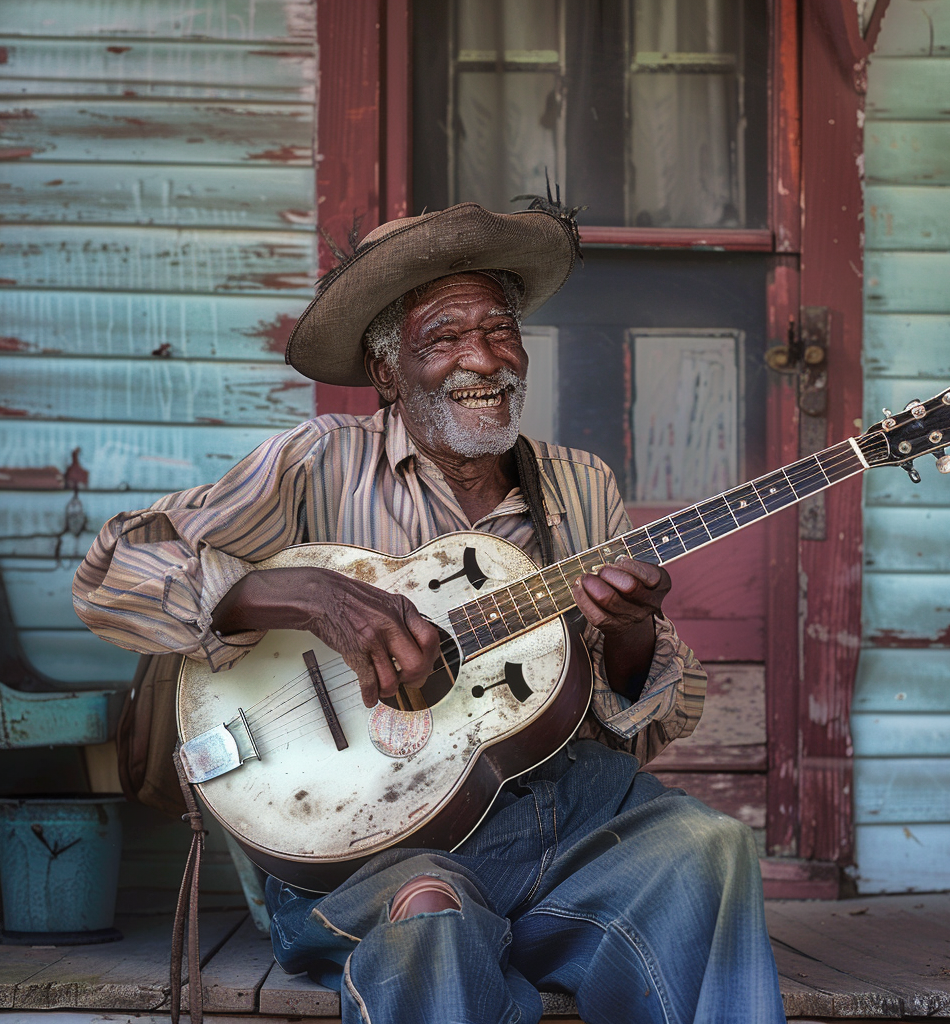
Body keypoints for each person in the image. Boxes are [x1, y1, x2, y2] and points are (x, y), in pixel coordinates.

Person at [74, 202, 786, 1024]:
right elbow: (115, 567)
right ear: (387, 373)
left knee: (710, 849)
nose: (481, 359)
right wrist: (305, 595)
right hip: (371, 848)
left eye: (499, 330)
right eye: (443, 338)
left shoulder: (580, 485)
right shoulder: (320, 462)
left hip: (563, 824)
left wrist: (627, 632)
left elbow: (649, 723)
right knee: (432, 920)